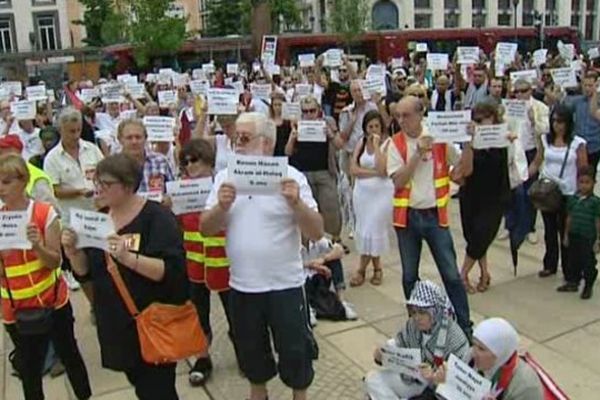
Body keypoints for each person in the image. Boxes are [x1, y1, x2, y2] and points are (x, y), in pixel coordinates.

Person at [202, 112, 323, 400]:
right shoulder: (224, 178)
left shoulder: (292, 178)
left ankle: (299, 395)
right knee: (251, 349)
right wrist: (221, 206)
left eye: (244, 138)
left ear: (267, 144)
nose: (237, 145)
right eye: (235, 139)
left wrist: (296, 204)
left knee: (295, 349)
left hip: (286, 285)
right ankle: (259, 393)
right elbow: (207, 228)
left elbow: (317, 231)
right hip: (244, 286)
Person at [61, 154, 188, 400]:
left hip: (153, 322)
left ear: (128, 186)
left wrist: (128, 258)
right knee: (141, 385)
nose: (98, 189)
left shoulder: (157, 217)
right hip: (118, 326)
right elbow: (86, 272)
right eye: (96, 182)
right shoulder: (97, 220)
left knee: (158, 390)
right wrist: (73, 252)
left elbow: (171, 271)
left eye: (106, 184)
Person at [0, 153, 91, 400]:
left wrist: (37, 246)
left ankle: (84, 395)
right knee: (29, 369)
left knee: (69, 353)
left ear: (23, 182)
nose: (1, 188)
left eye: (6, 182)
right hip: (14, 306)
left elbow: (56, 262)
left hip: (52, 302)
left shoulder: (43, 213)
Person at [387, 96, 472, 336]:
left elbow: (463, 170)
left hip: (435, 216)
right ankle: (418, 325)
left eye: (406, 115)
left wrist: (471, 142)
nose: (401, 121)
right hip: (407, 218)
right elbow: (399, 181)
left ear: (420, 114)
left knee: (451, 275)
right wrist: (416, 154)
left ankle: (465, 326)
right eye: (398, 116)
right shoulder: (395, 143)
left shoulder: (440, 137)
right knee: (409, 277)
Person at [177, 138, 237, 385]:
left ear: (209, 161)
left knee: (235, 312)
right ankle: (203, 357)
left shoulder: (221, 186)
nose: (190, 165)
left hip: (223, 262)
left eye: (195, 160)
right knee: (198, 312)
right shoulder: (180, 189)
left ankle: (244, 351)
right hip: (194, 262)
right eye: (186, 161)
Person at [365, 280, 470, 400]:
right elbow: (398, 345)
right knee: (372, 379)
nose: (416, 318)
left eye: (422, 312)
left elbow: (460, 386)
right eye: (414, 312)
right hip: (412, 379)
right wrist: (381, 355)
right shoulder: (412, 325)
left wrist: (435, 378)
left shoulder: (455, 338)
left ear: (435, 311)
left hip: (435, 393)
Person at [529, 105, 588, 280]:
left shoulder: (578, 143)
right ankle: (550, 264)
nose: (557, 125)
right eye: (554, 121)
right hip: (546, 192)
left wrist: (582, 193)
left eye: (561, 121)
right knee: (549, 231)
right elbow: (537, 161)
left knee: (566, 232)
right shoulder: (545, 140)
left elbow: (583, 169)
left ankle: (569, 268)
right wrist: (522, 177)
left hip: (568, 192)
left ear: (568, 123)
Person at [459, 101, 511, 293]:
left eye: (483, 120)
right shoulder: (471, 141)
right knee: (475, 238)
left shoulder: (501, 140)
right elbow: (466, 169)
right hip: (472, 194)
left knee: (483, 234)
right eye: (477, 120)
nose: (480, 124)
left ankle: (462, 275)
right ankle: (485, 273)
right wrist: (469, 142)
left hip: (494, 197)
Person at [285, 95, 345, 245]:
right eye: (305, 111)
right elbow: (287, 152)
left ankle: (335, 239)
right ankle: (309, 242)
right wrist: (293, 137)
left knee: (330, 207)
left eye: (312, 111)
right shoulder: (297, 125)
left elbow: (339, 144)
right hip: (304, 173)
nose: (309, 114)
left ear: (318, 110)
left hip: (324, 171)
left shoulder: (327, 122)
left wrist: (330, 134)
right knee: (308, 209)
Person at [349, 110, 393, 286]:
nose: (373, 129)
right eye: (370, 126)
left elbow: (383, 169)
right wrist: (373, 173)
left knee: (373, 229)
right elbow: (354, 169)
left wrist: (376, 146)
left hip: (381, 195)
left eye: (376, 126)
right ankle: (377, 267)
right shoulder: (360, 142)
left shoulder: (388, 143)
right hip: (363, 195)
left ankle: (361, 270)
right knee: (366, 231)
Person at [512, 79, 550, 245]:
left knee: (530, 192)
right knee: (514, 190)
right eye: (517, 91)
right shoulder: (510, 107)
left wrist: (534, 120)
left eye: (524, 90)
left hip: (531, 151)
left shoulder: (540, 107)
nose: (520, 94)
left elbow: (546, 129)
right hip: (515, 151)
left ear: (530, 90)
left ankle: (530, 228)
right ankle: (512, 225)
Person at [467, 318, 543, 400]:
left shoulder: (526, 386)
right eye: (473, 344)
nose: (474, 353)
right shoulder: (469, 356)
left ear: (500, 354)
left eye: (481, 349)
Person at [562, 165, 600, 298]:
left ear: (593, 183)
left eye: (587, 182)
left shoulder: (595, 202)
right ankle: (573, 282)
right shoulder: (573, 199)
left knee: (587, 262)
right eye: (581, 182)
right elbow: (569, 217)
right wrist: (566, 234)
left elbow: (597, 221)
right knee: (573, 260)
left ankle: (588, 286)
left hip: (587, 236)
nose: (584, 186)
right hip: (574, 234)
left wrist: (597, 240)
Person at [116, 119, 175, 197]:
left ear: (145, 138)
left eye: (138, 137)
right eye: (129, 138)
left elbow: (173, 193)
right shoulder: (112, 166)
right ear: (120, 140)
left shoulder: (161, 161)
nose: (134, 142)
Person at [565, 72, 600, 175]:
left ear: (596, 86)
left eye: (590, 85)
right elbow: (563, 110)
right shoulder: (577, 101)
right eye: (585, 85)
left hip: (595, 146)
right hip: (578, 146)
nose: (587, 88)